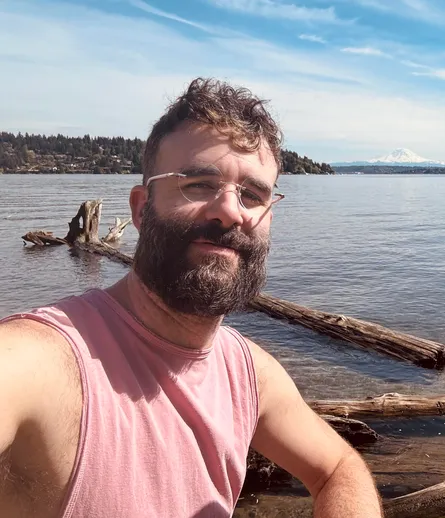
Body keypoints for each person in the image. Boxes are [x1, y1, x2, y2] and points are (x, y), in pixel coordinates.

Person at [0, 78, 382, 518]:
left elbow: (337, 468)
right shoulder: (44, 360)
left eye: (253, 195)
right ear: (142, 210)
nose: (230, 210)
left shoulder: (248, 372)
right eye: (199, 183)